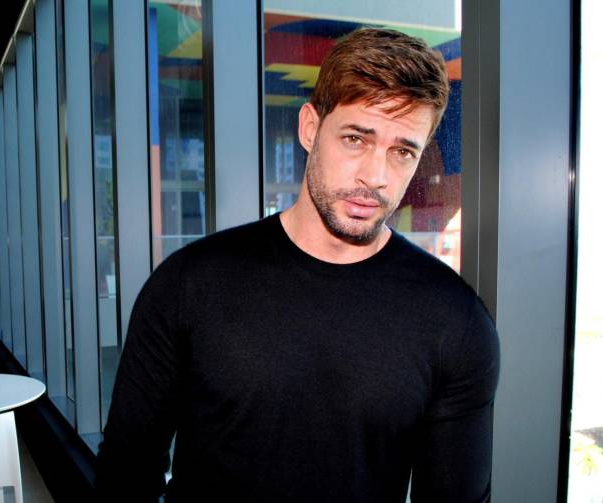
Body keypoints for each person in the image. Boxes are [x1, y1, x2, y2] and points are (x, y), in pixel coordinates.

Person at [96, 28, 500, 502]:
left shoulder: (456, 322)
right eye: (355, 138)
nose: (376, 176)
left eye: (402, 151)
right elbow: (126, 472)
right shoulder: (190, 283)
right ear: (310, 128)